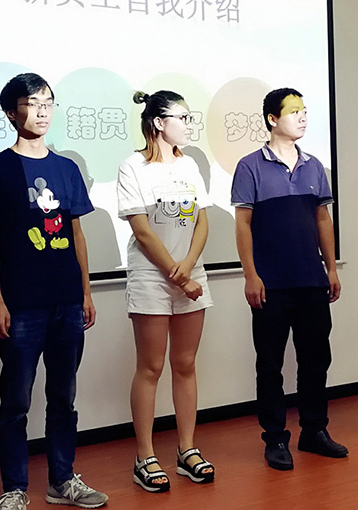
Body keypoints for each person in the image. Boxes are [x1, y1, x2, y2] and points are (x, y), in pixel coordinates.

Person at [0, 73, 108, 510]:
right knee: (16, 401)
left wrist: (85, 291)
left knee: (63, 398)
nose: (42, 111)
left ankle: (62, 480)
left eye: (48, 102)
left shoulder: (66, 169)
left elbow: (76, 233)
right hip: (21, 304)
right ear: (11, 113)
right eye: (32, 103)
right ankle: (14, 488)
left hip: (66, 300)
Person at [231, 88, 347, 471]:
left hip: (311, 279)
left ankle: (314, 431)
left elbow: (322, 219)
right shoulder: (250, 166)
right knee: (270, 363)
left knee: (316, 359)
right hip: (270, 284)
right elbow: (243, 224)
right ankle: (275, 438)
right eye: (294, 111)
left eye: (304, 111)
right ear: (272, 118)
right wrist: (250, 275)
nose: (302, 117)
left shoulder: (314, 166)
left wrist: (331, 268)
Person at [117, 91, 215, 493]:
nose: (189, 125)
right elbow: (142, 230)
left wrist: (188, 266)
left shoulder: (189, 164)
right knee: (151, 366)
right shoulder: (132, 166)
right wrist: (178, 276)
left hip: (190, 272)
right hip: (151, 276)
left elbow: (202, 221)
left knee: (186, 363)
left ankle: (187, 449)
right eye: (183, 118)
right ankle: (144, 455)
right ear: (159, 122)